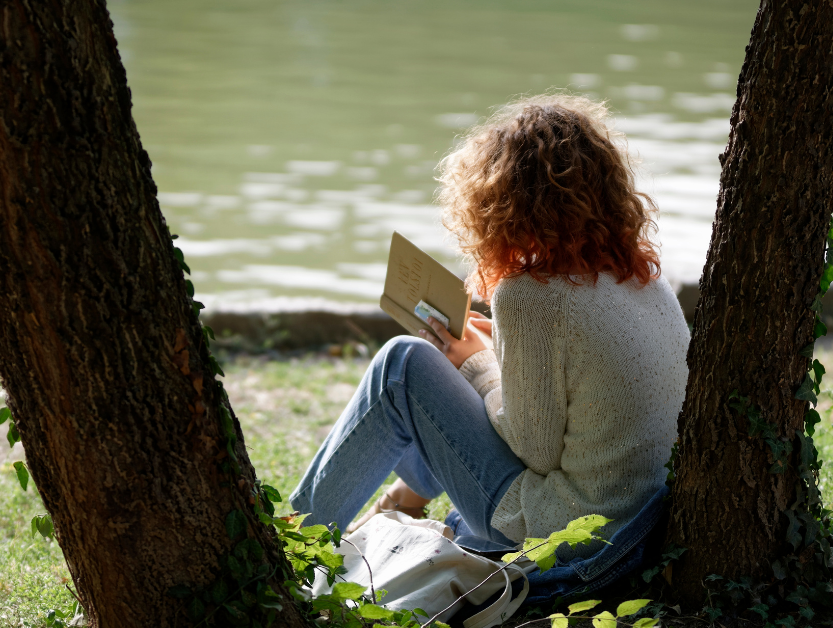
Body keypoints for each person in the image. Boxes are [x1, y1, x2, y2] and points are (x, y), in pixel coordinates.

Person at [289, 93, 690, 553]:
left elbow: (533, 449)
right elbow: (578, 398)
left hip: (566, 537)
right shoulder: (643, 279)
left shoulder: (530, 296)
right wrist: (493, 352)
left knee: (403, 363)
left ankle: (294, 545)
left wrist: (477, 365)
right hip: (638, 525)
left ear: (501, 204)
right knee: (448, 368)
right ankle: (401, 501)